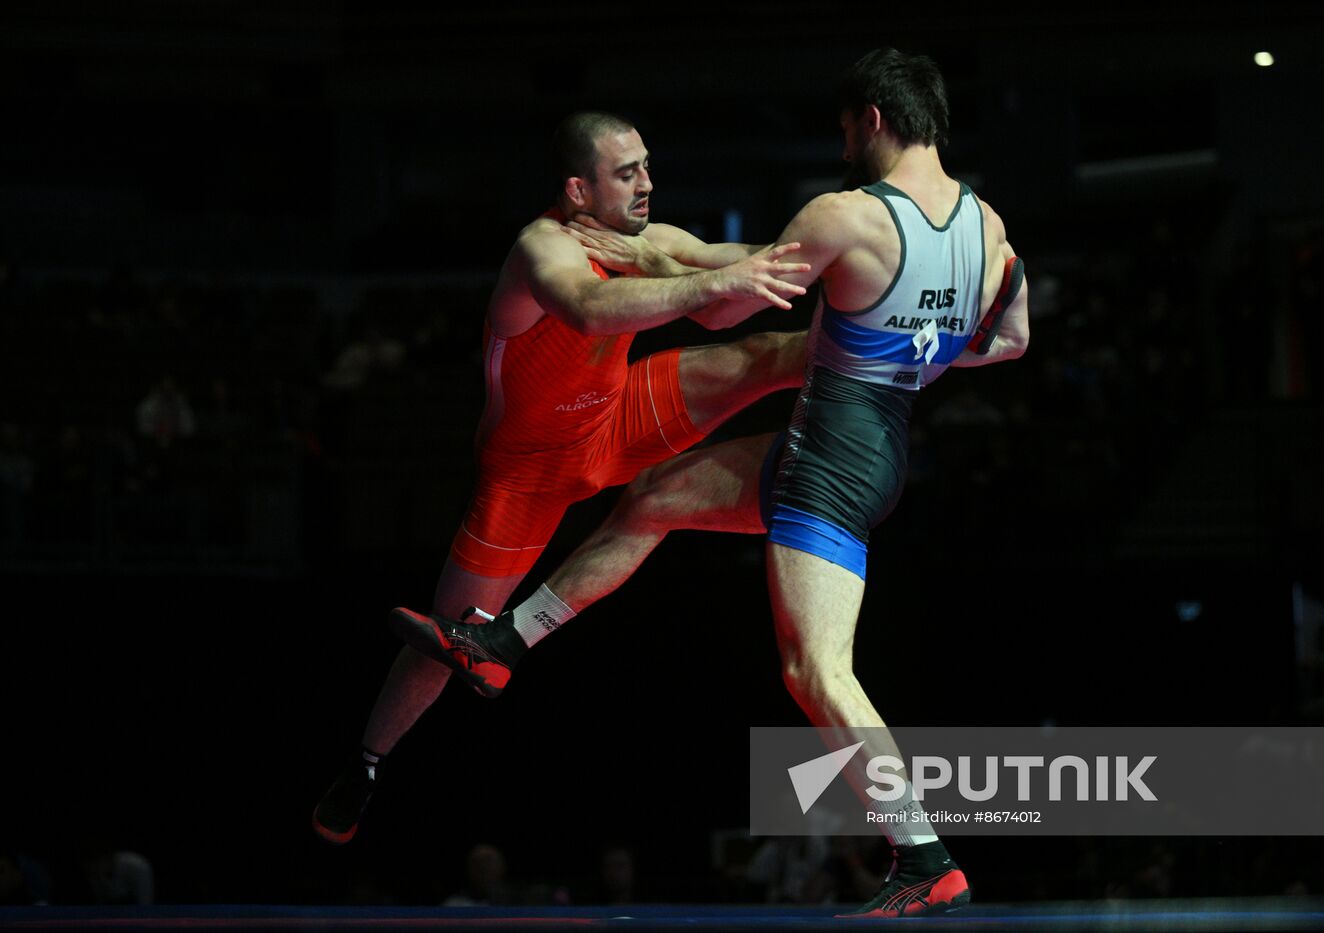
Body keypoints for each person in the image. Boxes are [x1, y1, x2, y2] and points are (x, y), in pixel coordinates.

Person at [392, 50, 1030, 918]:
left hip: (827, 462)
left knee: (816, 670)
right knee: (655, 497)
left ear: (873, 121)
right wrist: (913, 352)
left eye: (847, 128)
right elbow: (1010, 340)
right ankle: (503, 644)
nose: (844, 142)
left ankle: (925, 855)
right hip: (874, 444)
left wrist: (630, 256)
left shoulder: (846, 213)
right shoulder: (988, 229)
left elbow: (729, 301)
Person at [311, 110, 812, 844]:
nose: (648, 183)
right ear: (578, 190)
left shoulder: (647, 239)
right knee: (450, 640)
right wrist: (704, 281)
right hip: (527, 474)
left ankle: (900, 369)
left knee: (768, 351)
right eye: (627, 172)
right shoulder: (540, 250)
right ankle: (367, 762)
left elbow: (760, 267)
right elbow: (590, 308)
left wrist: (858, 245)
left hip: (615, 417)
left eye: (646, 165)